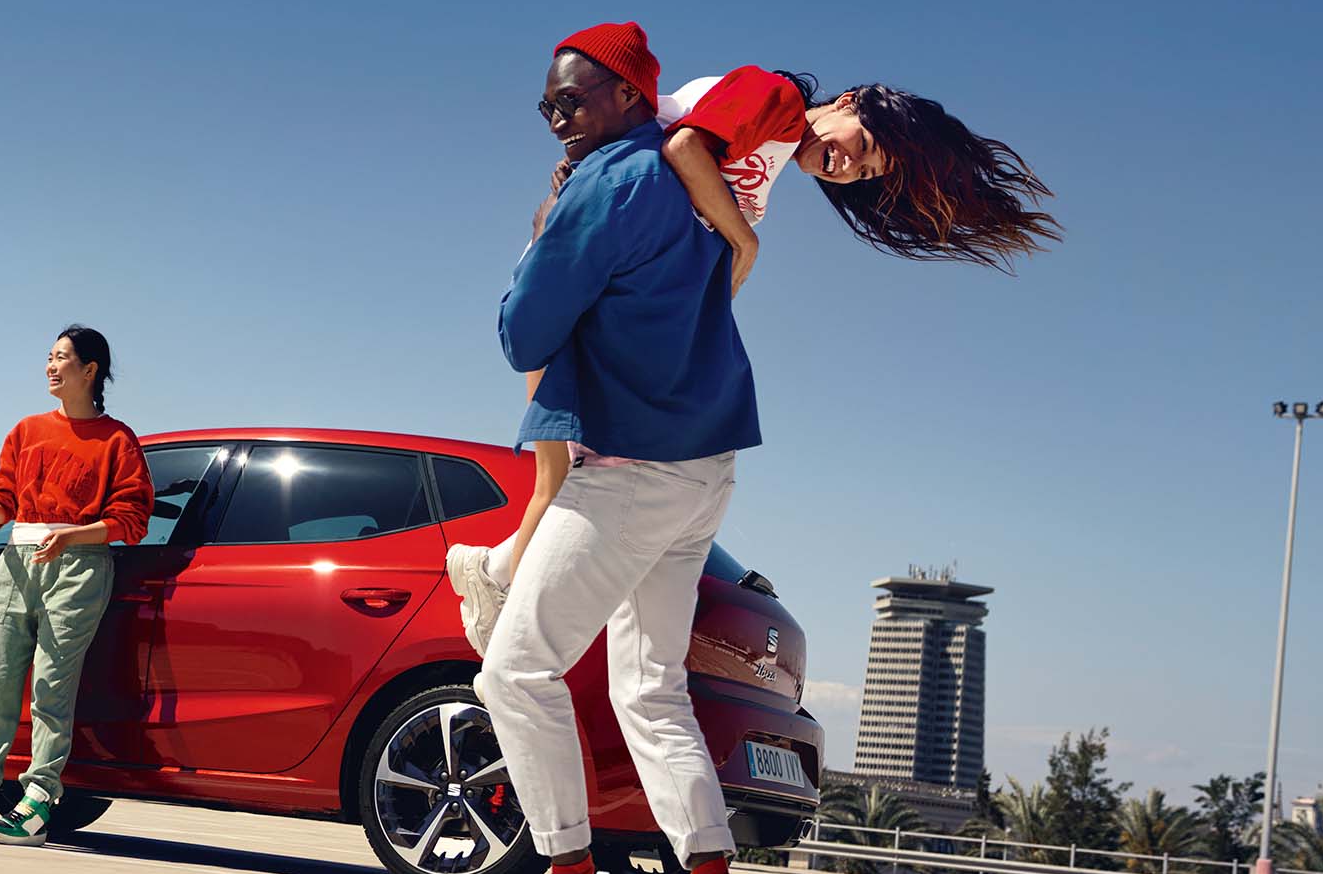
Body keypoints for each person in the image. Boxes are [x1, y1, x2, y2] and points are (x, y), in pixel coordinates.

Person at [450, 62, 1058, 652]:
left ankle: (492, 583)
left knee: (558, 475)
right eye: (863, 143)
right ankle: (496, 602)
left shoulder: (774, 145)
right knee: (558, 474)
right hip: (581, 261)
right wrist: (745, 239)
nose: (848, 167)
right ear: (847, 102)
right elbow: (684, 147)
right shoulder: (776, 97)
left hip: (601, 280)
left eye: (864, 172)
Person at [468, 22, 763, 874]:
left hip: (628, 472)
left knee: (513, 668)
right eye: (549, 106)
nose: (559, 119)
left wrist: (543, 229)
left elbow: (522, 333)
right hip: (705, 468)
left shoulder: (606, 182)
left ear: (633, 95)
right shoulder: (687, 176)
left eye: (576, 99)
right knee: (650, 687)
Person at [0, 326, 153, 846]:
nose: (51, 367)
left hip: (79, 564)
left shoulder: (118, 440)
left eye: (62, 358)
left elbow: (132, 518)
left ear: (90, 370)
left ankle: (36, 802)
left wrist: (74, 534)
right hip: (18, 560)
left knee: (52, 689)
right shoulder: (26, 430)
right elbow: (5, 501)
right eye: (49, 358)